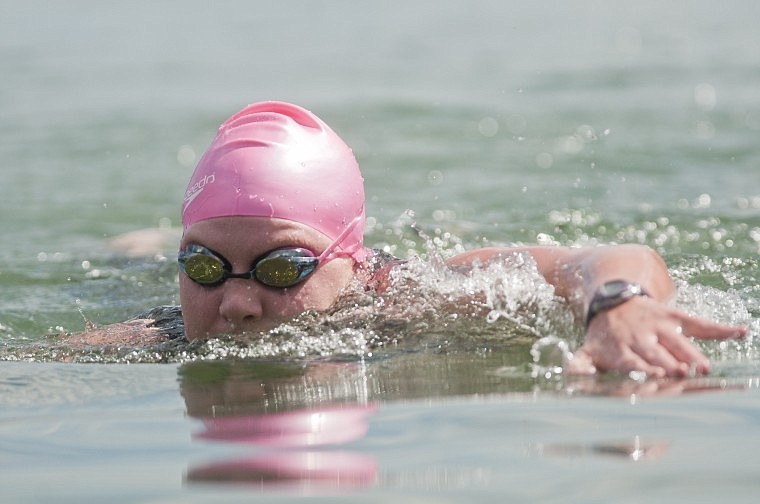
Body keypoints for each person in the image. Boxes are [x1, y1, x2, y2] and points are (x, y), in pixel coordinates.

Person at [76, 101, 747, 377]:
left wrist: (619, 304)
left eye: (281, 269)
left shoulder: (422, 294)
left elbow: (599, 257)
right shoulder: (158, 335)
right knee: (125, 257)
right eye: (203, 266)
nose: (237, 303)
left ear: (353, 261)